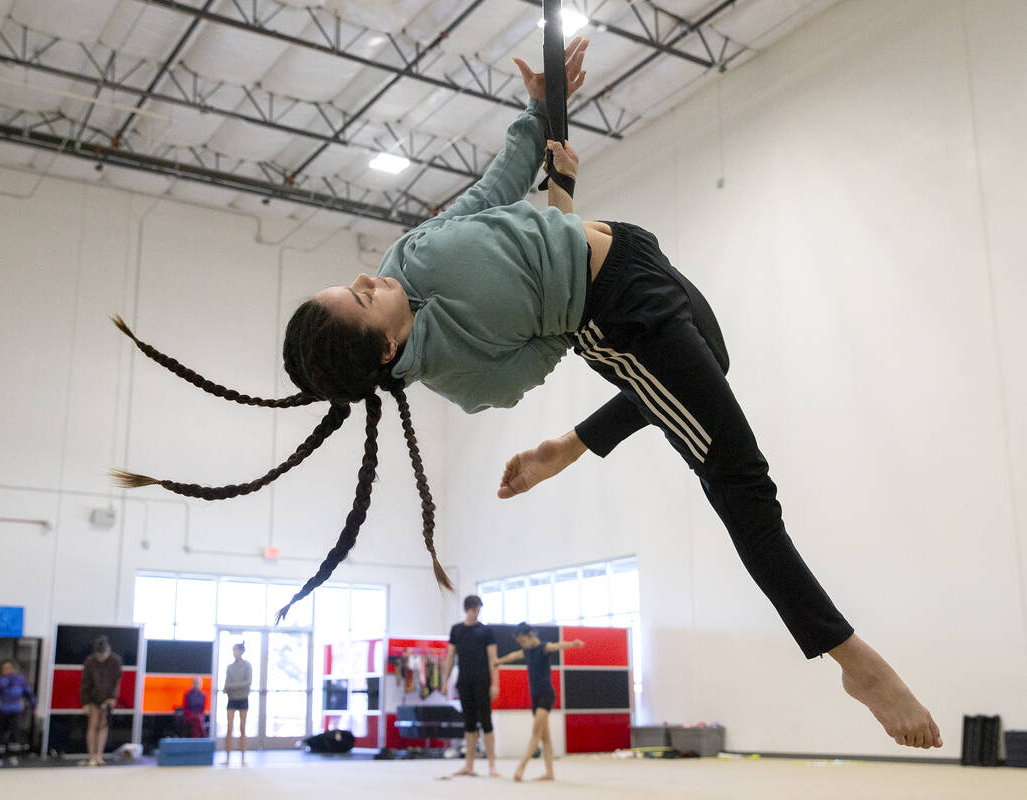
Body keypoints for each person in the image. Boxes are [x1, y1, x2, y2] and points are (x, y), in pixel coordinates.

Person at [109, 36, 940, 750]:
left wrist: (540, 113)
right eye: (361, 296)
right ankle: (848, 656)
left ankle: (572, 445)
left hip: (634, 250)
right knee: (739, 477)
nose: (368, 274)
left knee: (714, 363)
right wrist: (565, 200)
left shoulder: (407, 259)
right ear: (389, 344)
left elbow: (492, 191)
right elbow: (551, 343)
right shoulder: (460, 373)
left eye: (352, 280)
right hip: (620, 314)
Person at [494, 624, 583, 782]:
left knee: (536, 732)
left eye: (523, 641)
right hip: (535, 697)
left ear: (531, 635)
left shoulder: (543, 647)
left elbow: (556, 646)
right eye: (520, 643)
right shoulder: (527, 652)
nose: (522, 645)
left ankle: (521, 767)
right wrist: (498, 661)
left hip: (546, 695)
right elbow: (513, 656)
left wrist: (573, 644)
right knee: (545, 737)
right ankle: (549, 773)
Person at [442, 595, 499, 777]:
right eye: (475, 609)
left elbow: (493, 658)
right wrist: (445, 680)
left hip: (482, 681)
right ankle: (469, 765)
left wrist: (495, 682)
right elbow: (450, 656)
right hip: (464, 682)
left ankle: (492, 765)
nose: (477, 613)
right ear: (468, 609)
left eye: (479, 609)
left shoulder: (486, 631)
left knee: (486, 721)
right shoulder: (457, 630)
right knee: (469, 723)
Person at [80, 635, 122, 766]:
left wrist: (113, 697)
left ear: (108, 652)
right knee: (93, 724)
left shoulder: (115, 661)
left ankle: (99, 755)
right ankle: (91, 756)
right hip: (92, 697)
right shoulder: (90, 661)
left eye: (103, 655)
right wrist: (85, 702)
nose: (101, 658)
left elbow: (116, 682)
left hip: (108, 697)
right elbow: (85, 682)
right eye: (99, 656)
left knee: (103, 724)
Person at [0, 660, 36, 763]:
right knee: (1, 733)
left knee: (15, 733)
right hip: (2, 710)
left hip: (16, 710)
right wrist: (6, 681)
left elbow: (29, 693)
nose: (8, 670)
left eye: (10, 668)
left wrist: (34, 706)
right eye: (5, 668)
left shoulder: (20, 680)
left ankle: (12, 756)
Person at [221, 643, 252, 765]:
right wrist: (226, 688)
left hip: (243, 698)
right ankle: (227, 757)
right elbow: (227, 682)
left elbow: (248, 682)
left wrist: (231, 686)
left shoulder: (247, 666)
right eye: (233, 650)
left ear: (241, 651)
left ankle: (243, 757)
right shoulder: (229, 667)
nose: (234, 652)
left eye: (235, 650)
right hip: (232, 699)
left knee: (242, 728)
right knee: (229, 728)